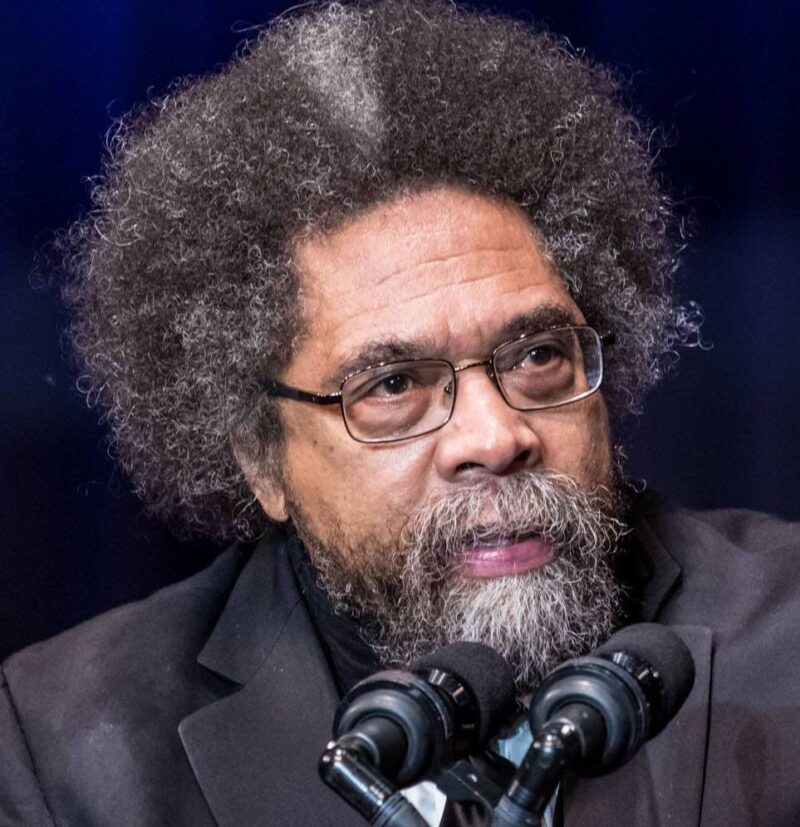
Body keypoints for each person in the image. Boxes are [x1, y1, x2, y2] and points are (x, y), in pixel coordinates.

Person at [2, 1, 799, 825]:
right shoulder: (60, 751)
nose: (495, 436)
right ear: (261, 459)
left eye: (536, 356)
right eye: (390, 386)